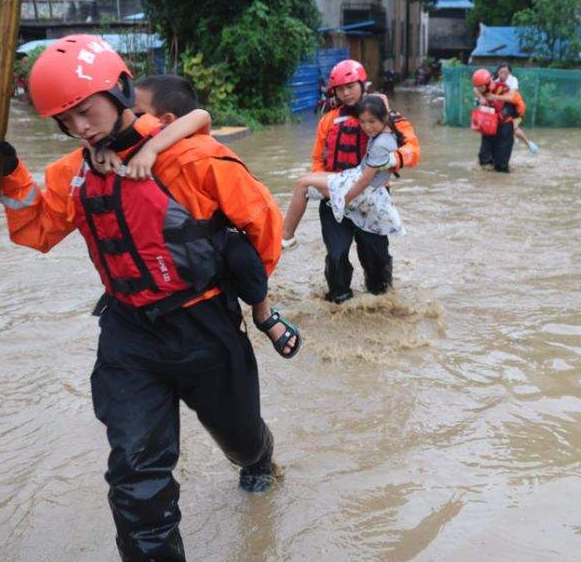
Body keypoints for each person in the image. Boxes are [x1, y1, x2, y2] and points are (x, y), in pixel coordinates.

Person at [0, 35, 288, 562]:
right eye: (66, 121)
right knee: (135, 475)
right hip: (129, 334)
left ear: (118, 91)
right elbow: (38, 229)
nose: (81, 128)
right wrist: (7, 172)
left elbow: (265, 230)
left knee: (242, 438)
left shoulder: (193, 159)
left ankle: (260, 460)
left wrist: (243, 292)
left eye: (86, 112)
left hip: (204, 327)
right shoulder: (74, 173)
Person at [89, 73, 301, 362]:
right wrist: (94, 148)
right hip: (150, 284)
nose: (126, 119)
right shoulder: (107, 156)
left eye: (135, 114)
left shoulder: (194, 154)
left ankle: (263, 313)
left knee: (242, 253)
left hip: (209, 255)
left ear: (164, 121)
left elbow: (200, 115)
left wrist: (151, 147)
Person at [310, 59, 420, 303]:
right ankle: (339, 298)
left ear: (363, 85)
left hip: (372, 198)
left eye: (351, 86)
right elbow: (318, 160)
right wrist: (323, 187)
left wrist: (392, 158)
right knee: (336, 254)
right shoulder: (328, 121)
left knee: (376, 257)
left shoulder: (388, 117)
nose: (346, 93)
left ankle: (381, 298)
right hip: (336, 196)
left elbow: (413, 150)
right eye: (340, 89)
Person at [282, 94, 404, 248]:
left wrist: (343, 200)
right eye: (363, 122)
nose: (367, 127)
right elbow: (383, 100)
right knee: (308, 178)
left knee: (302, 184)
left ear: (384, 117)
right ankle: (285, 231)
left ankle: (287, 237)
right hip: (360, 180)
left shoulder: (380, 145)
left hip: (363, 191)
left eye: (372, 121)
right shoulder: (388, 131)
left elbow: (365, 180)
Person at [473, 67, 524, 172]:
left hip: (504, 129)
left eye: (480, 86)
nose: (479, 89)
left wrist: (494, 105)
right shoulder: (481, 90)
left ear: (487, 83)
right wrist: (481, 99)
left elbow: (510, 109)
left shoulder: (503, 89)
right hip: (489, 128)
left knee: (501, 167)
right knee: (484, 162)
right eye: (477, 86)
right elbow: (476, 90)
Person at [495, 63, 539, 154]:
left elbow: (511, 95)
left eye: (506, 73)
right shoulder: (495, 82)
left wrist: (494, 96)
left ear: (510, 73)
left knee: (512, 128)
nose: (503, 75)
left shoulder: (513, 80)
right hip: (505, 109)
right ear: (498, 73)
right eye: (501, 72)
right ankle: (528, 144)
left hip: (517, 108)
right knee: (510, 129)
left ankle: (529, 144)